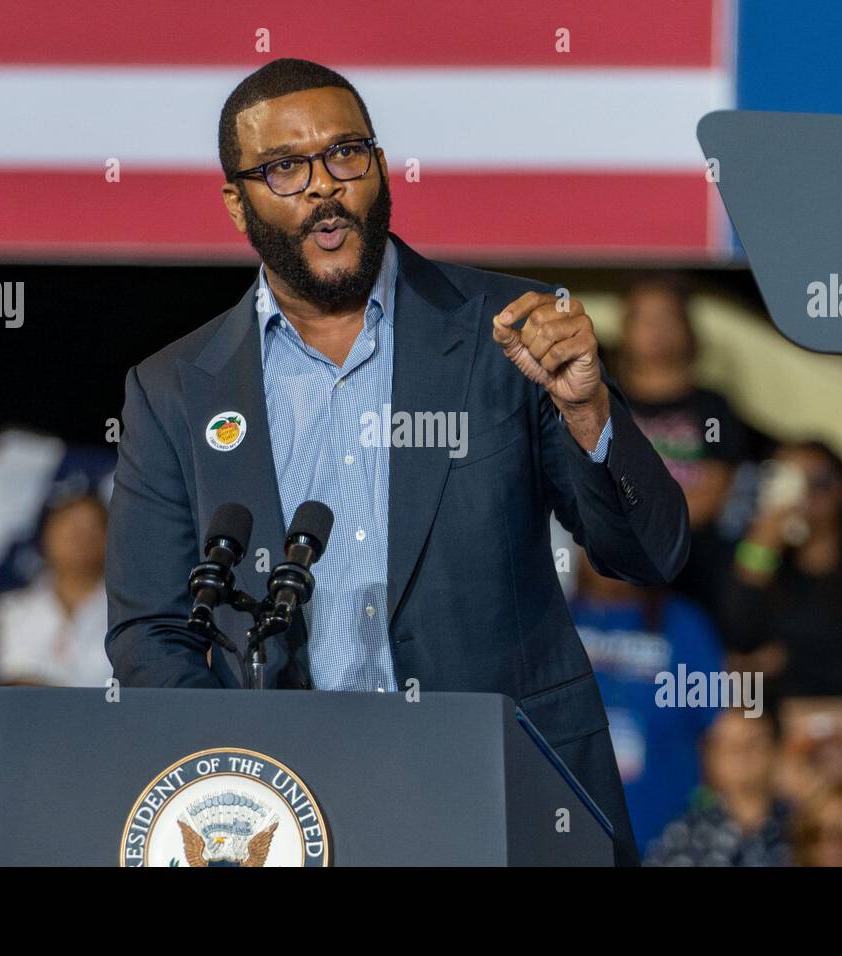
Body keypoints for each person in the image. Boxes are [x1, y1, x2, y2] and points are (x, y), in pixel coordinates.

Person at [105, 58, 690, 866]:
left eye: (346, 153)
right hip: (303, 807)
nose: (323, 187)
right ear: (236, 202)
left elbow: (650, 552)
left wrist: (589, 411)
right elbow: (152, 632)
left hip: (508, 791)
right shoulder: (174, 388)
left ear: (380, 170)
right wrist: (245, 780)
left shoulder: (507, 332)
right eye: (285, 167)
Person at [570, 549, 724, 852]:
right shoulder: (553, 620)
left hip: (670, 839)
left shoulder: (685, 626)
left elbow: (718, 732)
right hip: (570, 834)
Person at [617, 275, 748, 616]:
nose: (656, 330)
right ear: (625, 327)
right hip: (612, 565)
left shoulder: (712, 408)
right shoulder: (601, 401)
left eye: (667, 317)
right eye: (644, 318)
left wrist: (644, 528)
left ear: (687, 327)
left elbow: (713, 491)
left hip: (693, 565)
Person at [720, 439, 842, 706]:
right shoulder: (762, 561)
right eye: (792, 481)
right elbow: (738, 637)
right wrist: (761, 547)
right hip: (767, 722)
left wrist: (784, 661)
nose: (805, 496)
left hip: (841, 721)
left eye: (820, 482)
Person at [645, 709, 791, 866]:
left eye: (754, 742)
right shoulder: (681, 836)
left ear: (776, 748)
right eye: (727, 745)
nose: (740, 754)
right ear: (709, 756)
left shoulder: (802, 828)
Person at [0, 495, 112, 686]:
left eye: (92, 529)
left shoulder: (131, 614)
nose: (81, 539)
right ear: (46, 536)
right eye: (71, 529)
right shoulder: (8, 610)